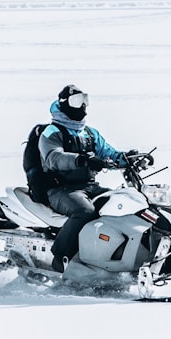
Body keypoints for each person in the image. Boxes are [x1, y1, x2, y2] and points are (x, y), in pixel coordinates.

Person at [39, 85, 149, 272]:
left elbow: (109, 153)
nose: (82, 107)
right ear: (64, 104)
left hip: (89, 186)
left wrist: (129, 158)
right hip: (61, 190)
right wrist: (82, 160)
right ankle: (60, 257)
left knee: (122, 203)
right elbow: (54, 158)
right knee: (85, 210)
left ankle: (111, 258)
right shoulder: (51, 132)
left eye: (85, 100)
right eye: (77, 101)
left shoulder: (89, 133)